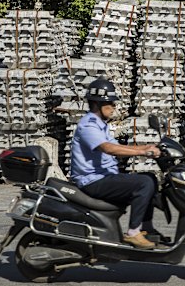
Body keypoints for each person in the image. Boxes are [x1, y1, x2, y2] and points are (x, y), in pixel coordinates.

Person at [70, 76, 162, 249]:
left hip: (104, 177)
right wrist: (143, 151)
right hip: (92, 181)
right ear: (97, 104)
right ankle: (133, 233)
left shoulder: (100, 125)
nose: (114, 108)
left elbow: (118, 147)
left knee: (150, 177)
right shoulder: (88, 125)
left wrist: (146, 146)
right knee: (143, 183)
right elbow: (108, 149)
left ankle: (147, 228)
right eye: (111, 104)